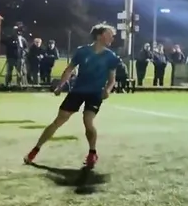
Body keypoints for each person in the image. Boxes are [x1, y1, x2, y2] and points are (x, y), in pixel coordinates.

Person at [23, 24, 122, 169]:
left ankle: (92, 153)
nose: (112, 38)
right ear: (99, 36)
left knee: (88, 121)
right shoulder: (82, 51)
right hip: (78, 91)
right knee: (58, 121)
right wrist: (60, 86)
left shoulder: (111, 57)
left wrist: (107, 89)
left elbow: (112, 79)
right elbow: (69, 70)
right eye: (109, 35)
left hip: (95, 94)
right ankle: (34, 150)